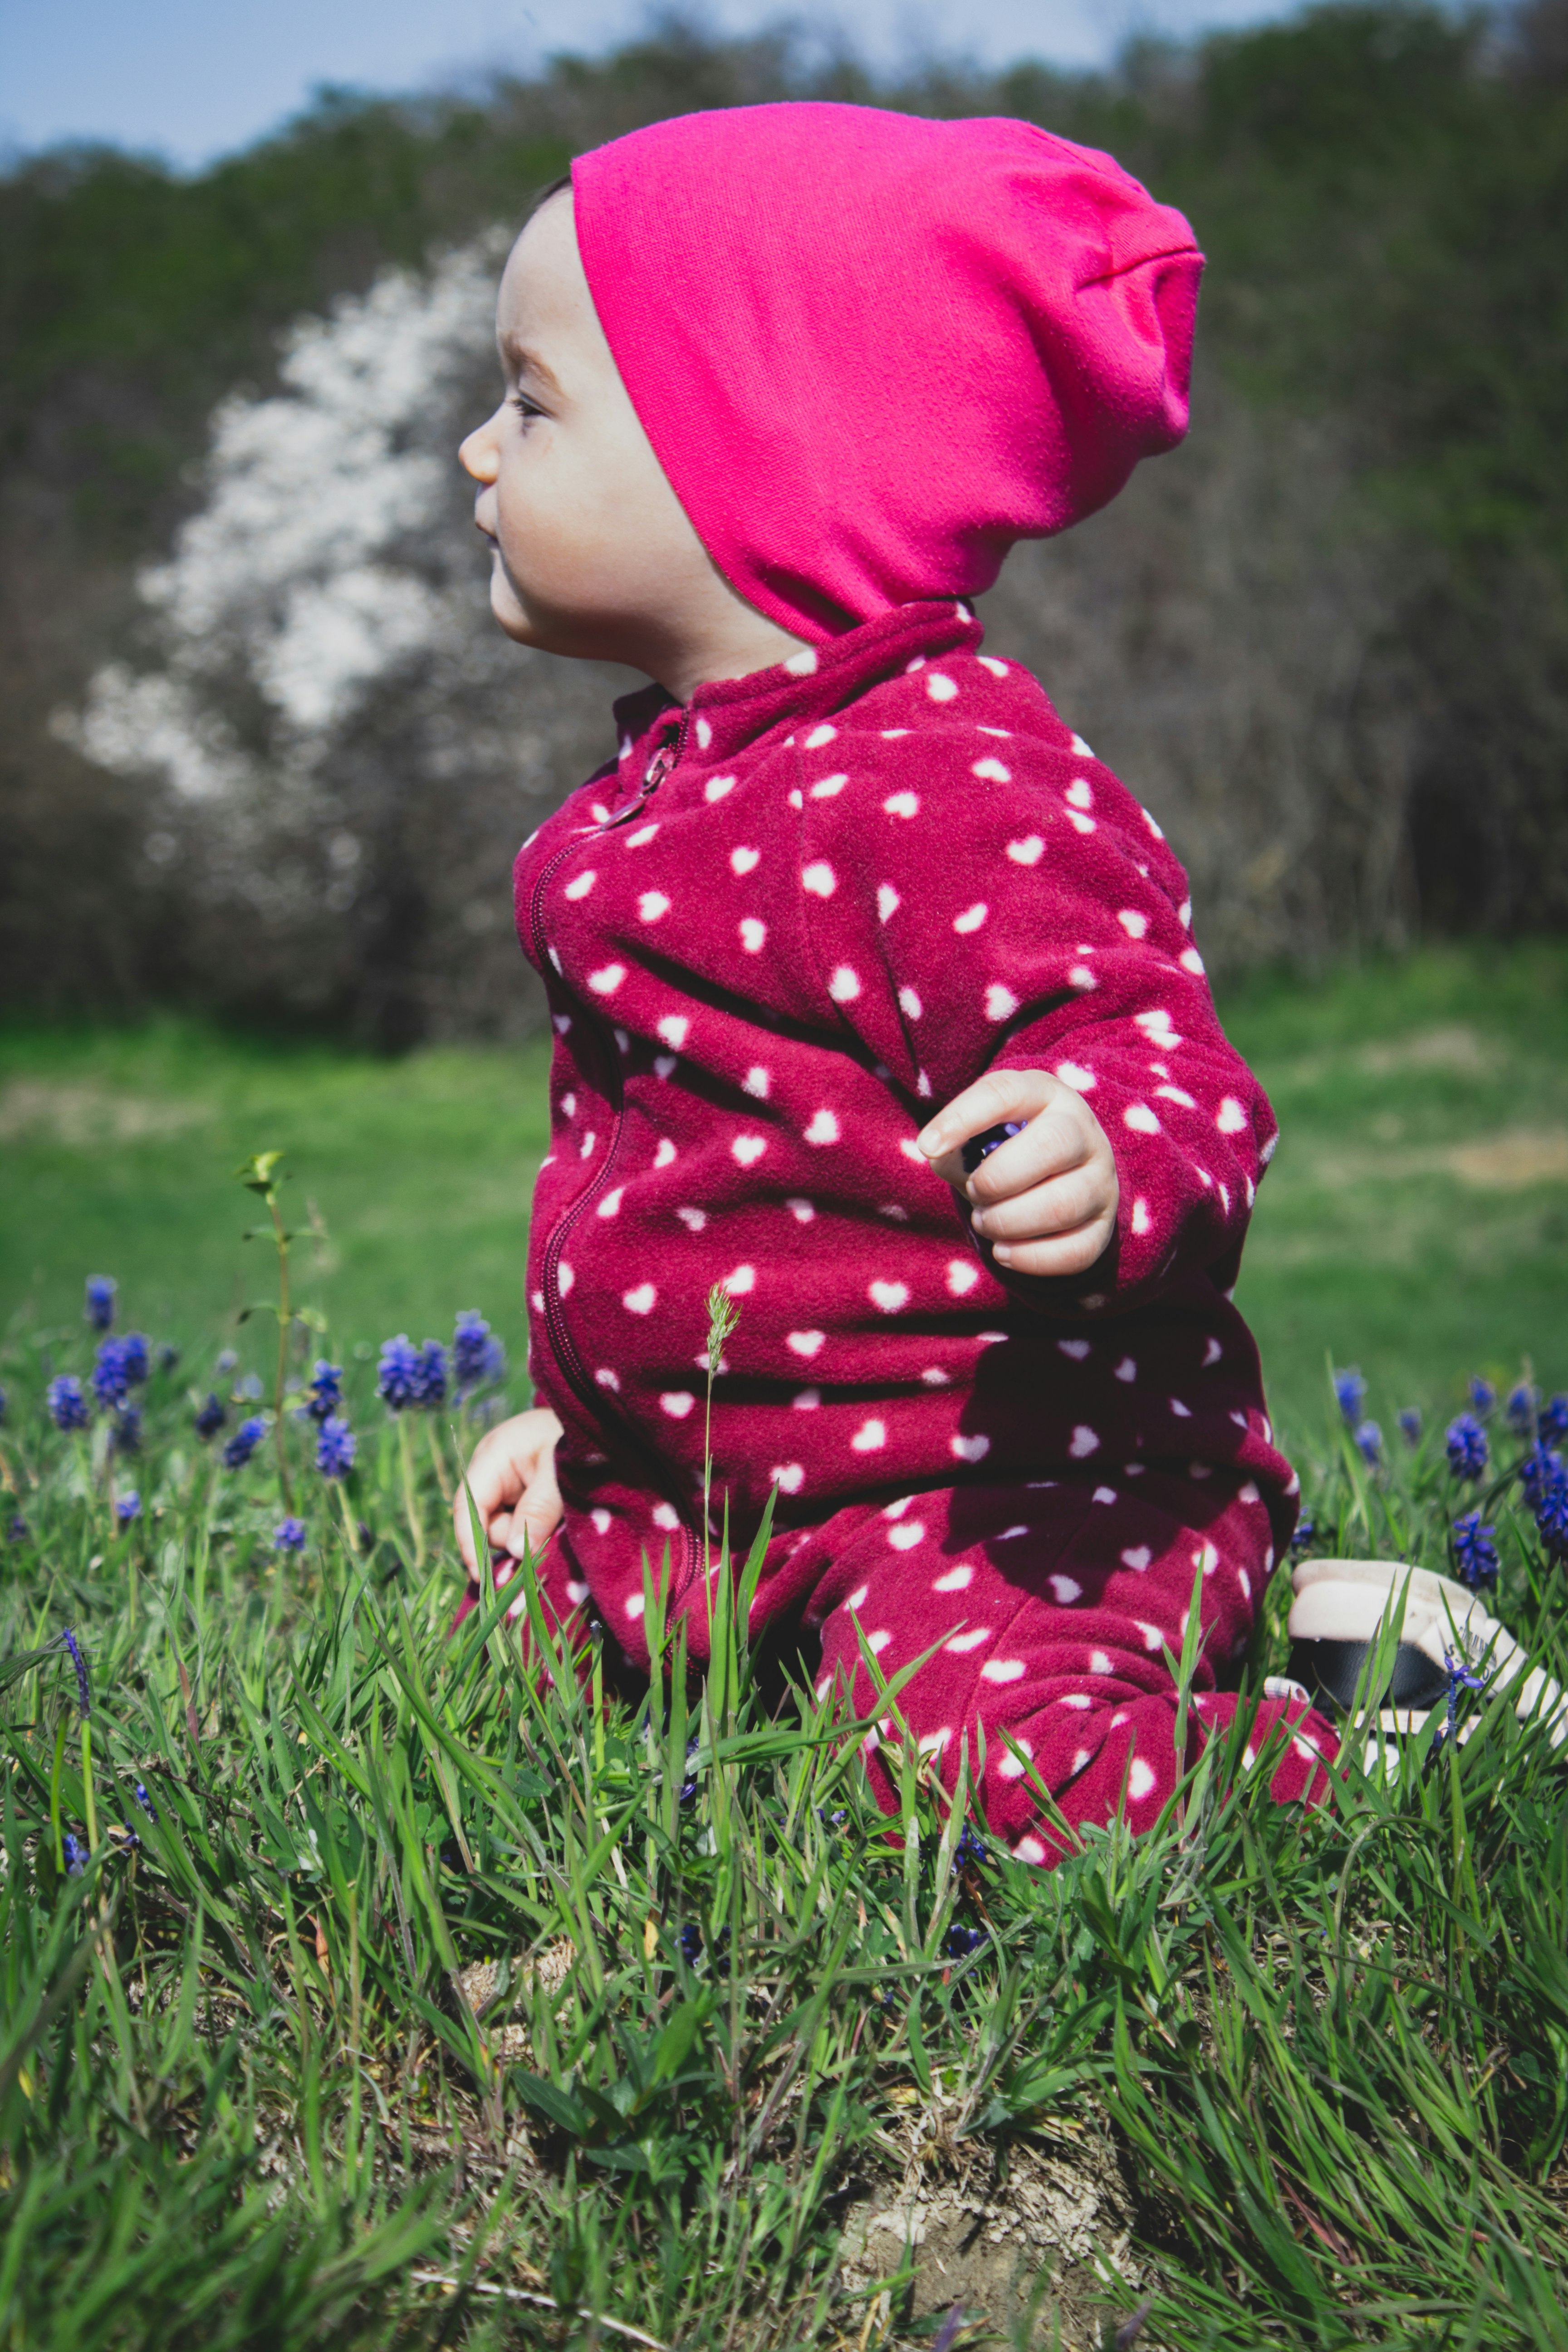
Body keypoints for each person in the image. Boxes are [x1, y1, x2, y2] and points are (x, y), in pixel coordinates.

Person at [451, 102, 1336, 1862]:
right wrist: (589, 1431)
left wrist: (1103, 1147)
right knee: (492, 1686)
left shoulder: (943, 777)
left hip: (998, 1487)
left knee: (968, 1779)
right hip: (731, 1495)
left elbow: (1155, 1047)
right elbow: (672, 1185)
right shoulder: (654, 804)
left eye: (532, 404)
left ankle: (1356, 1738)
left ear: (756, 455)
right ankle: (642, 1513)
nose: (481, 453)